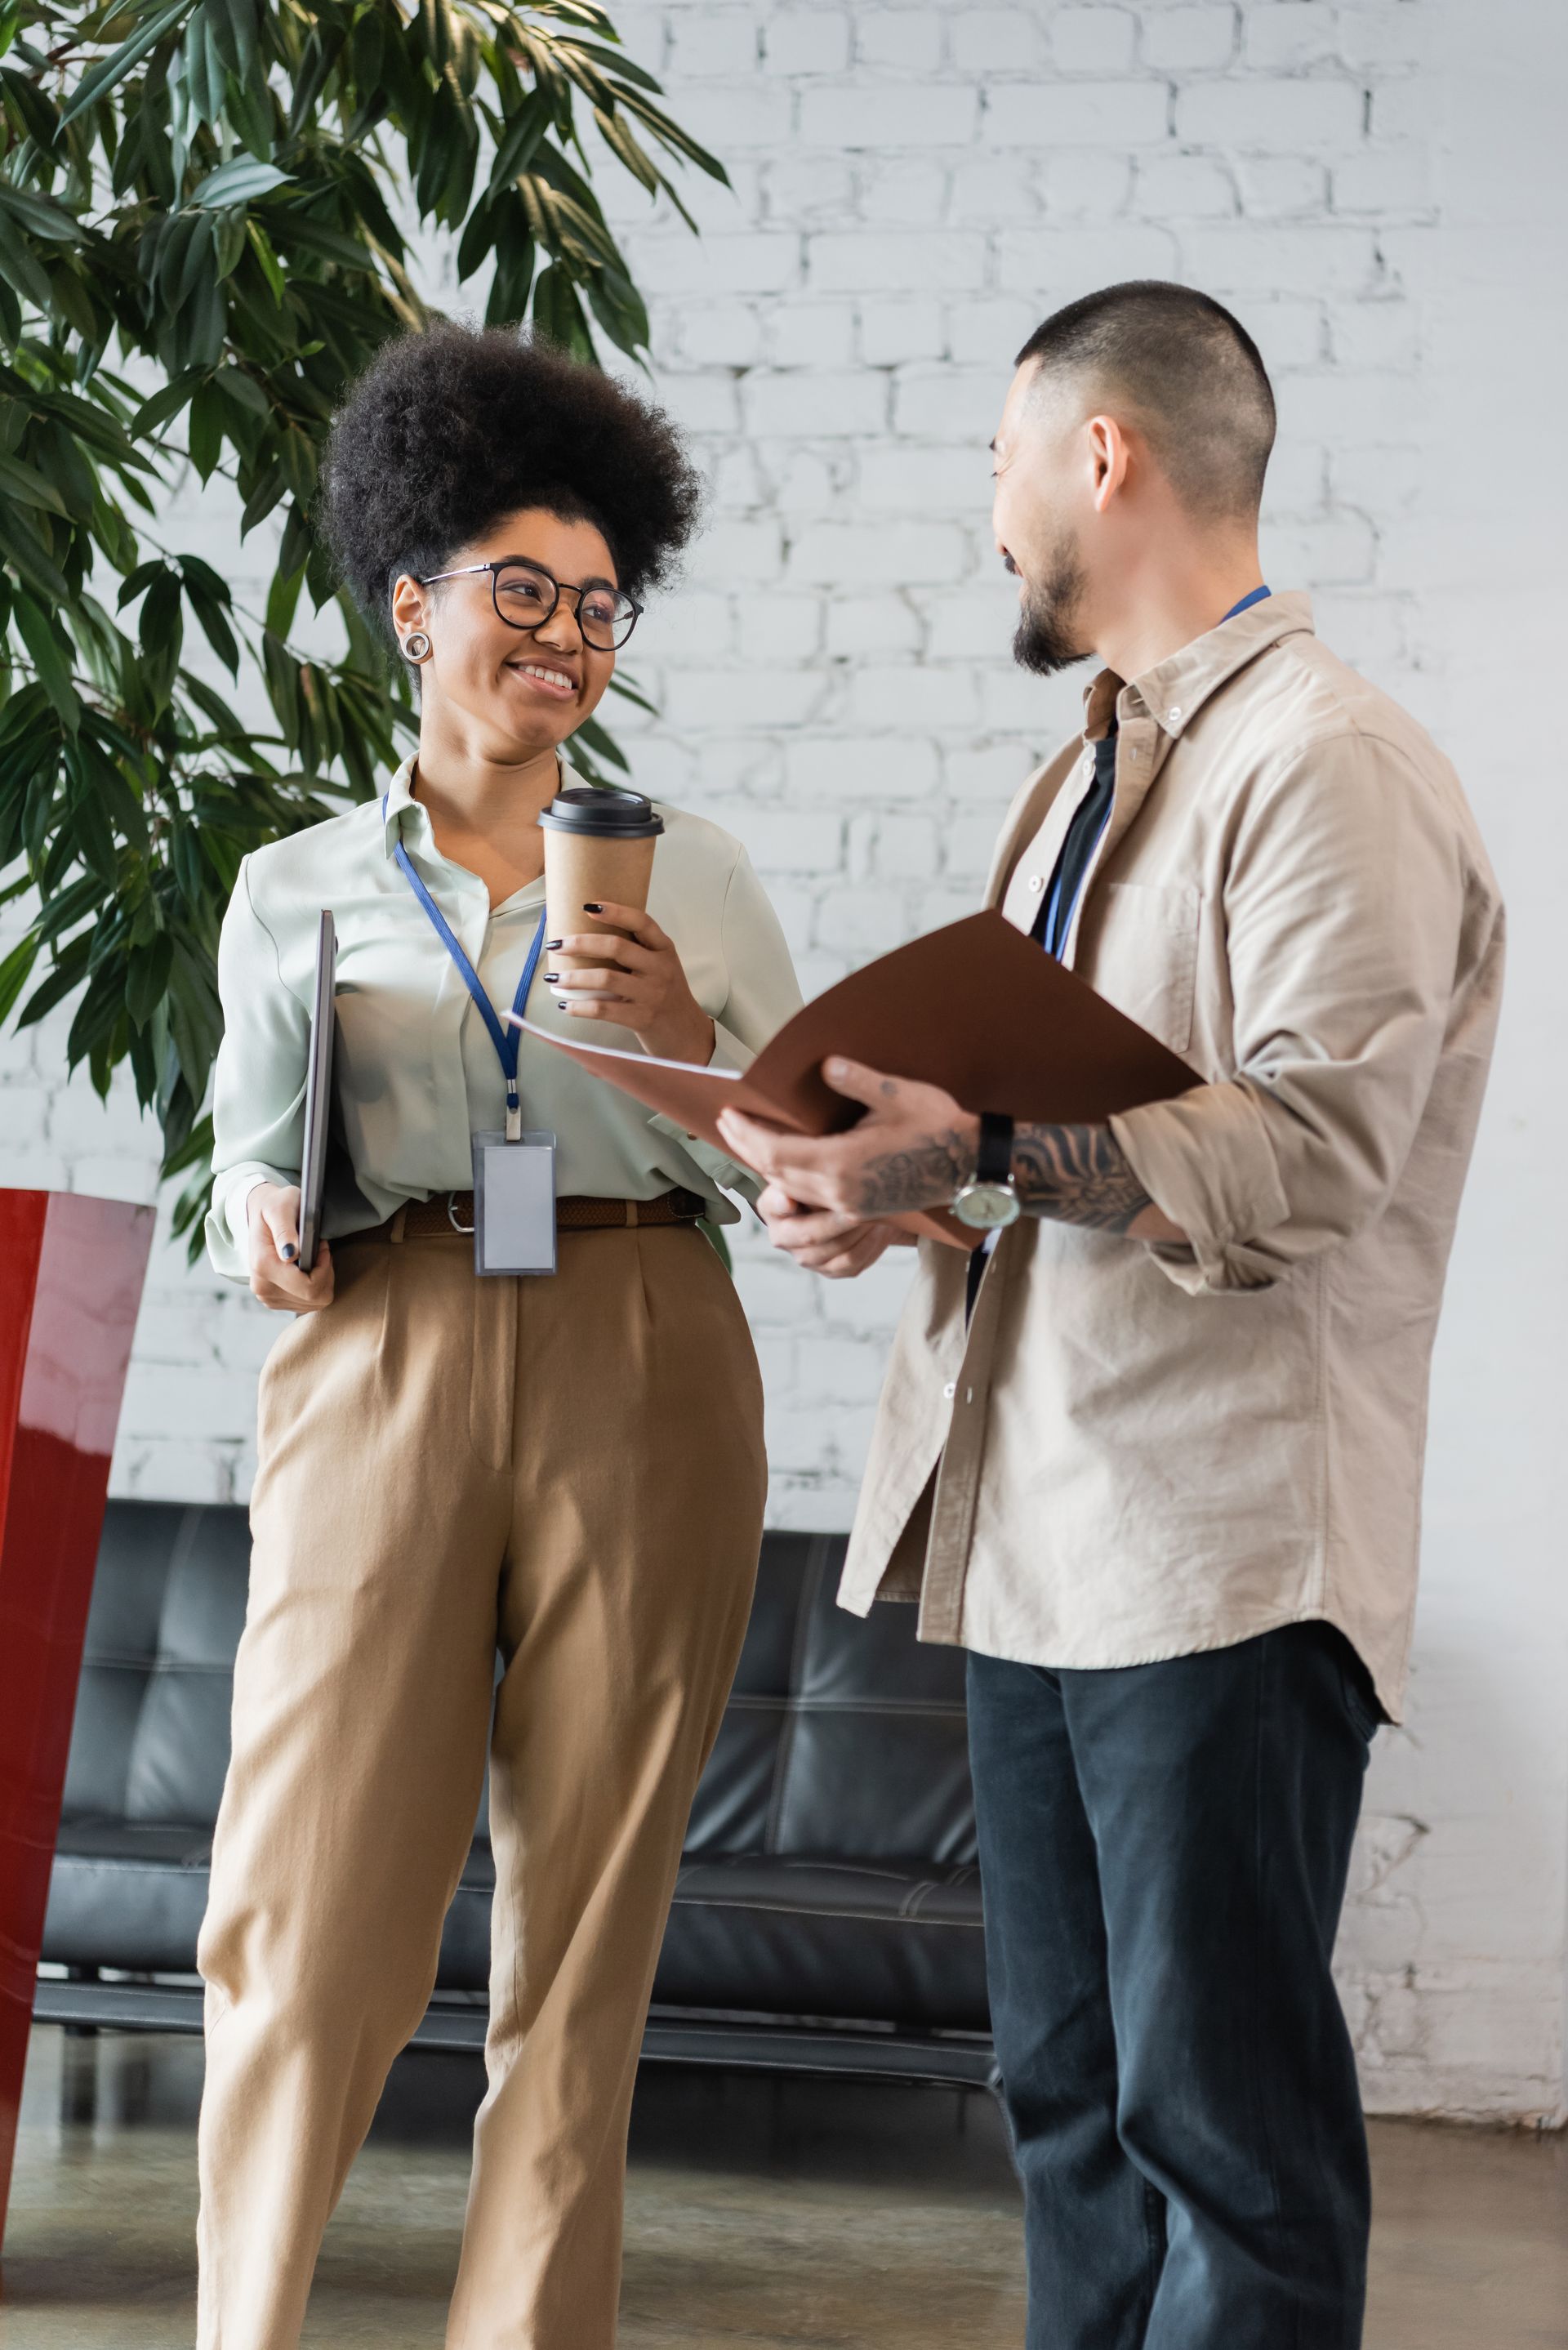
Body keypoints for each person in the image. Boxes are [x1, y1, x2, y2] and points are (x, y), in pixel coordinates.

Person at [718, 281, 1503, 2350]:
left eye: (997, 458)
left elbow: (1315, 1152)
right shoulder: (1079, 780)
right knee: (1068, 2109)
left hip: (1220, 1559)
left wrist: (971, 1129)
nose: (985, 510)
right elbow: (1046, 1140)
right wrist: (911, 1191)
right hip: (1043, 1546)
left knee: (1219, 2135)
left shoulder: (1331, 765)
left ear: (1101, 453)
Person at [197, 323, 800, 2350]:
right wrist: (261, 1216)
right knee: (303, 1912)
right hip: (386, 1343)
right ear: (411, 602)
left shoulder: (689, 868)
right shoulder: (293, 889)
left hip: (648, 1335)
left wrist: (683, 1038)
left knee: (586, 1936)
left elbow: (793, 1154)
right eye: (520, 588)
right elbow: (242, 1164)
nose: (564, 632)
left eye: (600, 599)